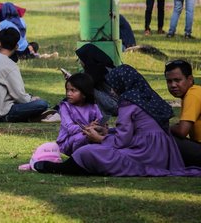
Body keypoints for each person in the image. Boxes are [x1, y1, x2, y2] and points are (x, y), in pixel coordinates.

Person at [33, 65, 201, 176]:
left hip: (146, 152)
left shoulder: (128, 101)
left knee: (89, 152)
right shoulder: (147, 96)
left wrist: (100, 138)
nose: (112, 90)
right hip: (163, 152)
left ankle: (57, 168)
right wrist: (109, 131)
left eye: (113, 85)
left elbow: (122, 141)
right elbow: (137, 129)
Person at [0, 28, 48, 122]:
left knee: (33, 99)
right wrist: (31, 99)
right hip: (3, 111)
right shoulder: (11, 66)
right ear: (17, 46)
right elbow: (19, 96)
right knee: (42, 104)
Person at [165, 59, 201, 167]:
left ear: (190, 79)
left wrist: (166, 128)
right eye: (169, 81)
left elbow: (182, 131)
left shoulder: (192, 95)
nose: (173, 85)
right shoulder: (195, 92)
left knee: (164, 137)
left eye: (177, 80)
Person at [56, 73, 103, 156]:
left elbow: (101, 124)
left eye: (73, 90)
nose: (68, 93)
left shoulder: (93, 107)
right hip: (67, 144)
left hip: (89, 138)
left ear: (84, 93)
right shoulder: (65, 107)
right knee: (82, 137)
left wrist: (97, 127)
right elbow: (70, 128)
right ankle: (76, 159)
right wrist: (88, 127)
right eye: (67, 90)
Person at [75, 43, 117, 122]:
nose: (80, 62)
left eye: (80, 59)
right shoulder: (97, 68)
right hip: (111, 103)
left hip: (115, 105)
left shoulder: (101, 70)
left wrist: (73, 82)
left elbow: (83, 87)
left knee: (85, 89)